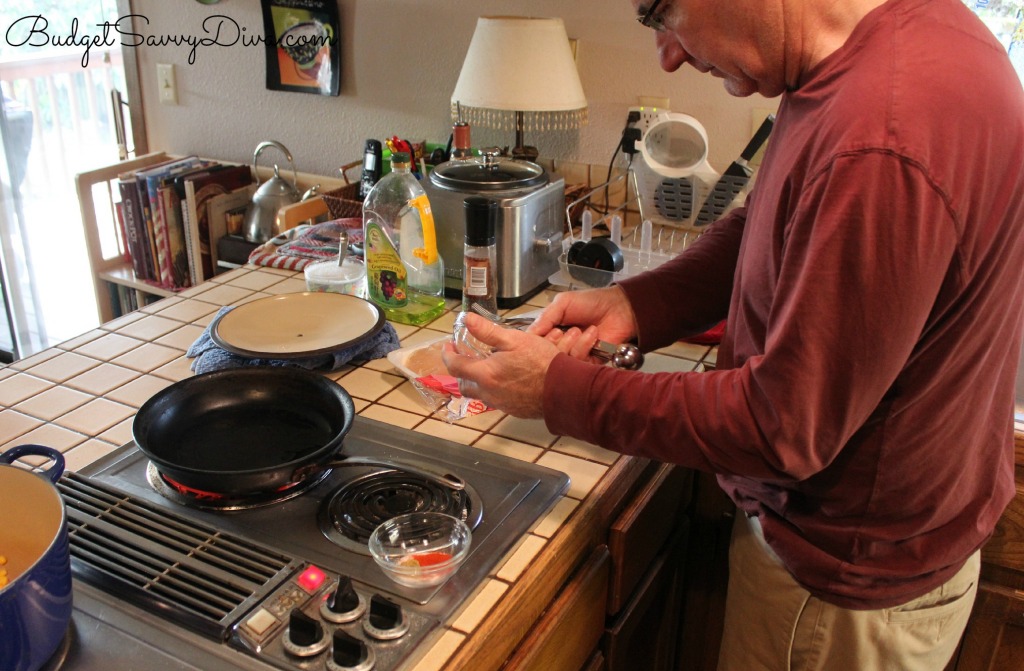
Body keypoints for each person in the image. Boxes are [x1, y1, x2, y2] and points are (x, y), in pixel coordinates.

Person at [441, 0, 1024, 668]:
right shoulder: (898, 42)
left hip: (836, 597)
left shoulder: (883, 131)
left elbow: (783, 427)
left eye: (662, 14)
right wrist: (637, 302)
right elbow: (770, 225)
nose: (668, 55)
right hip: (876, 558)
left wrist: (558, 389)